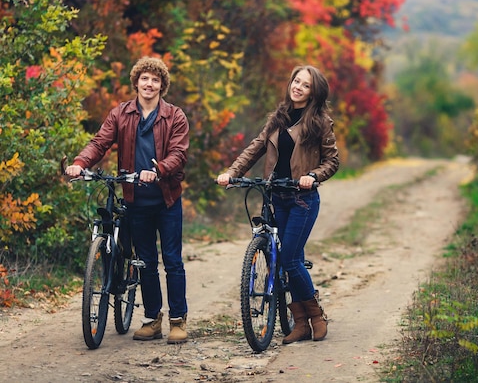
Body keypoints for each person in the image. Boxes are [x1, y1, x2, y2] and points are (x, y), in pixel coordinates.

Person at [65, 56, 190, 344]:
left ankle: (178, 320)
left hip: (166, 199)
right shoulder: (120, 113)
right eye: (144, 78)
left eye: (155, 80)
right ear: (136, 82)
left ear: (162, 86)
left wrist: (157, 170)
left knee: (171, 261)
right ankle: (152, 319)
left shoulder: (174, 116)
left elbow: (179, 154)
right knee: (144, 261)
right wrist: (81, 163)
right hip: (135, 200)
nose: (149, 84)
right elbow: (100, 142)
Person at [217, 64, 339, 344]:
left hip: (302, 199)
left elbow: (332, 161)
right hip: (277, 198)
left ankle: (316, 316)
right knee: (285, 262)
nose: (298, 87)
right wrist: (232, 173)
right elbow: (255, 147)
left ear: (313, 92)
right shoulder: (279, 118)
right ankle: (300, 324)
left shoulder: (320, 122)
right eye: (296, 81)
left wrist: (312, 176)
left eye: (305, 84)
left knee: (291, 259)